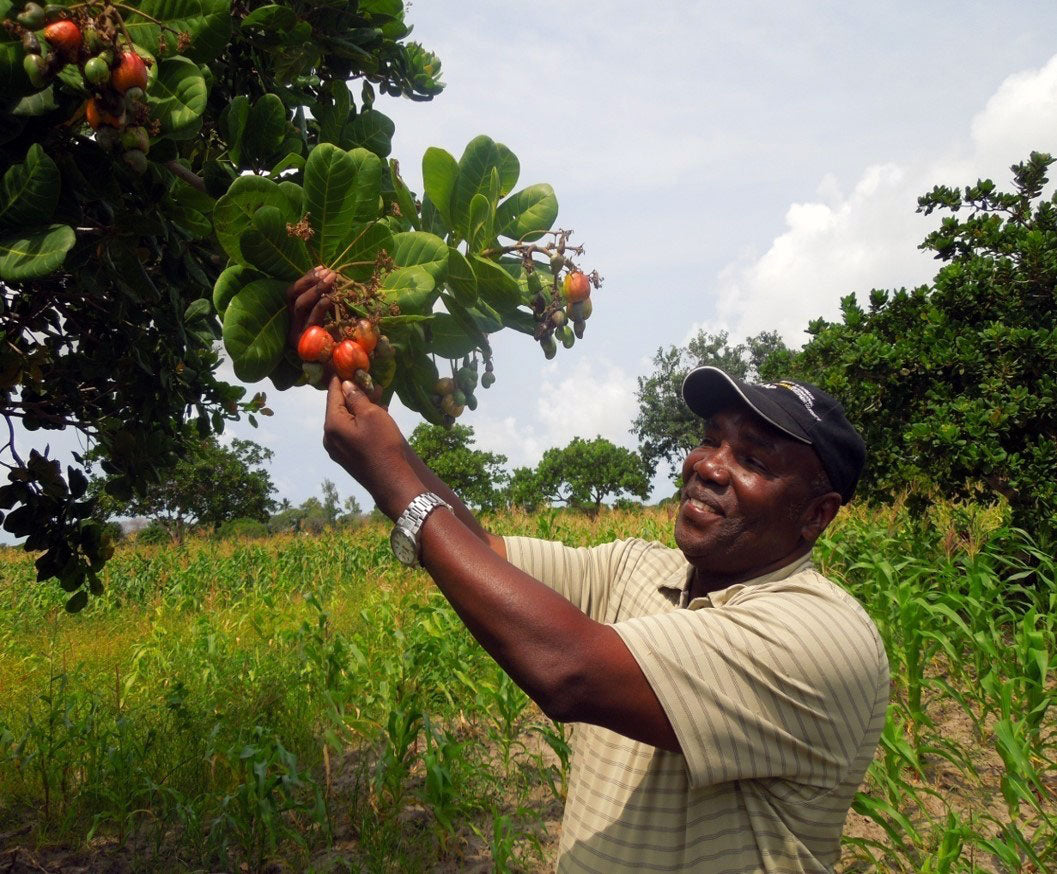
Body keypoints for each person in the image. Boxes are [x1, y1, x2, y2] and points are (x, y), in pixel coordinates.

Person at [287, 269, 890, 873]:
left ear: (816, 514)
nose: (707, 466)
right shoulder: (639, 570)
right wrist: (351, 374)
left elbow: (568, 671)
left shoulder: (820, 636)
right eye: (711, 440)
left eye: (753, 458)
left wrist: (392, 483)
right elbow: (481, 552)